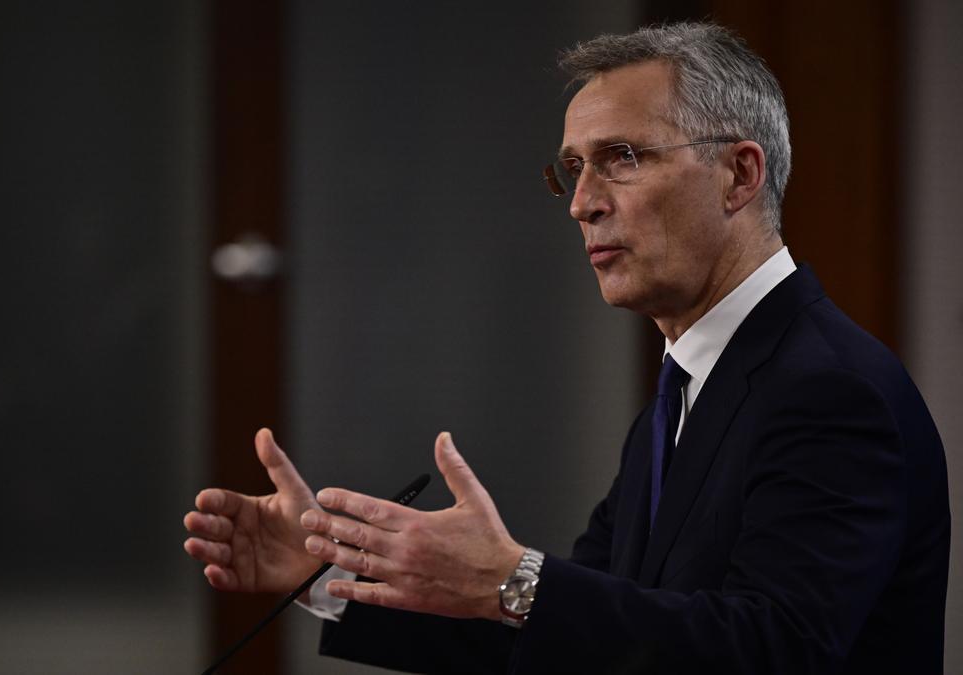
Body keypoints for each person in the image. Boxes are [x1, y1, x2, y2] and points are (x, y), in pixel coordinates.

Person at [182, 22, 949, 674]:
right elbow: (576, 631)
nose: (583, 202)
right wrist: (330, 573)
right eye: (574, 169)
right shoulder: (689, 383)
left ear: (739, 174)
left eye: (623, 156)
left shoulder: (829, 389)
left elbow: (773, 651)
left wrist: (513, 578)